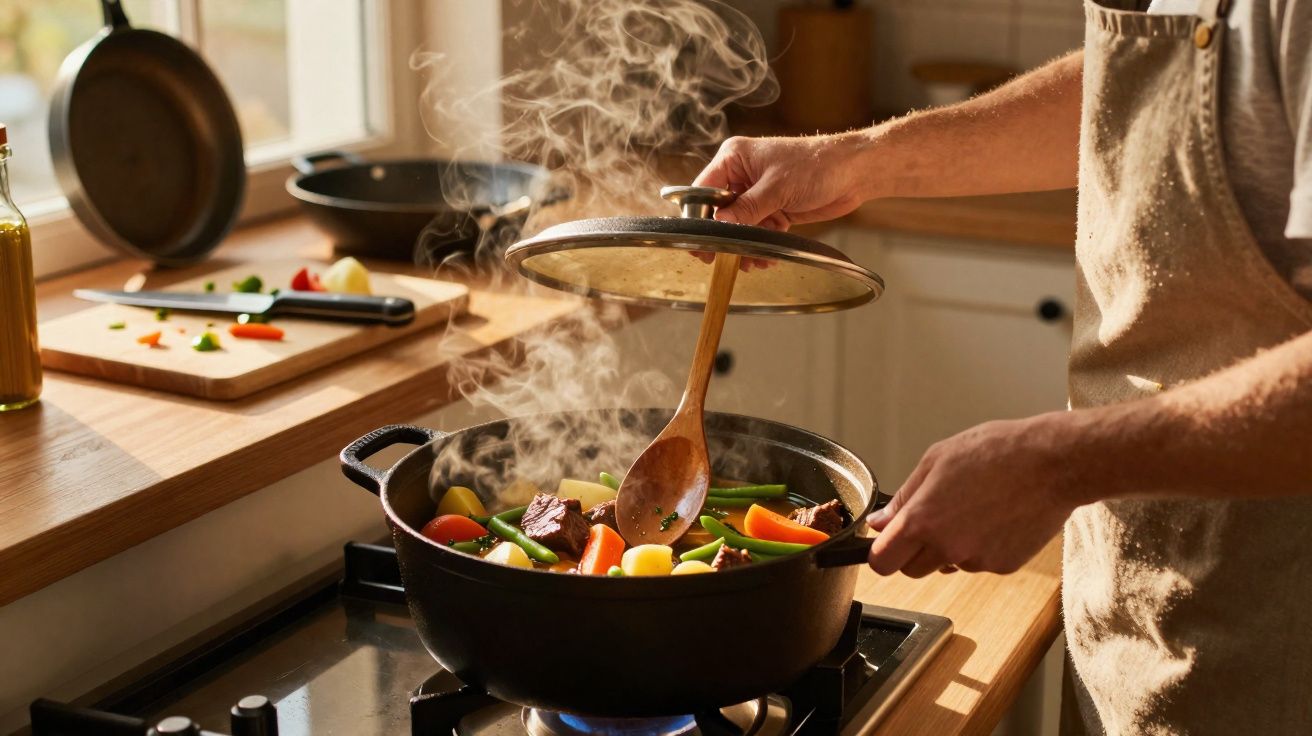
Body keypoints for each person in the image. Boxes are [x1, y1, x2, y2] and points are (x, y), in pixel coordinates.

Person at [694, 1, 1312, 733]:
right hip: (1136, 625)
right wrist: (853, 159)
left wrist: (1060, 464)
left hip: (1272, 642)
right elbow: (1143, 93)